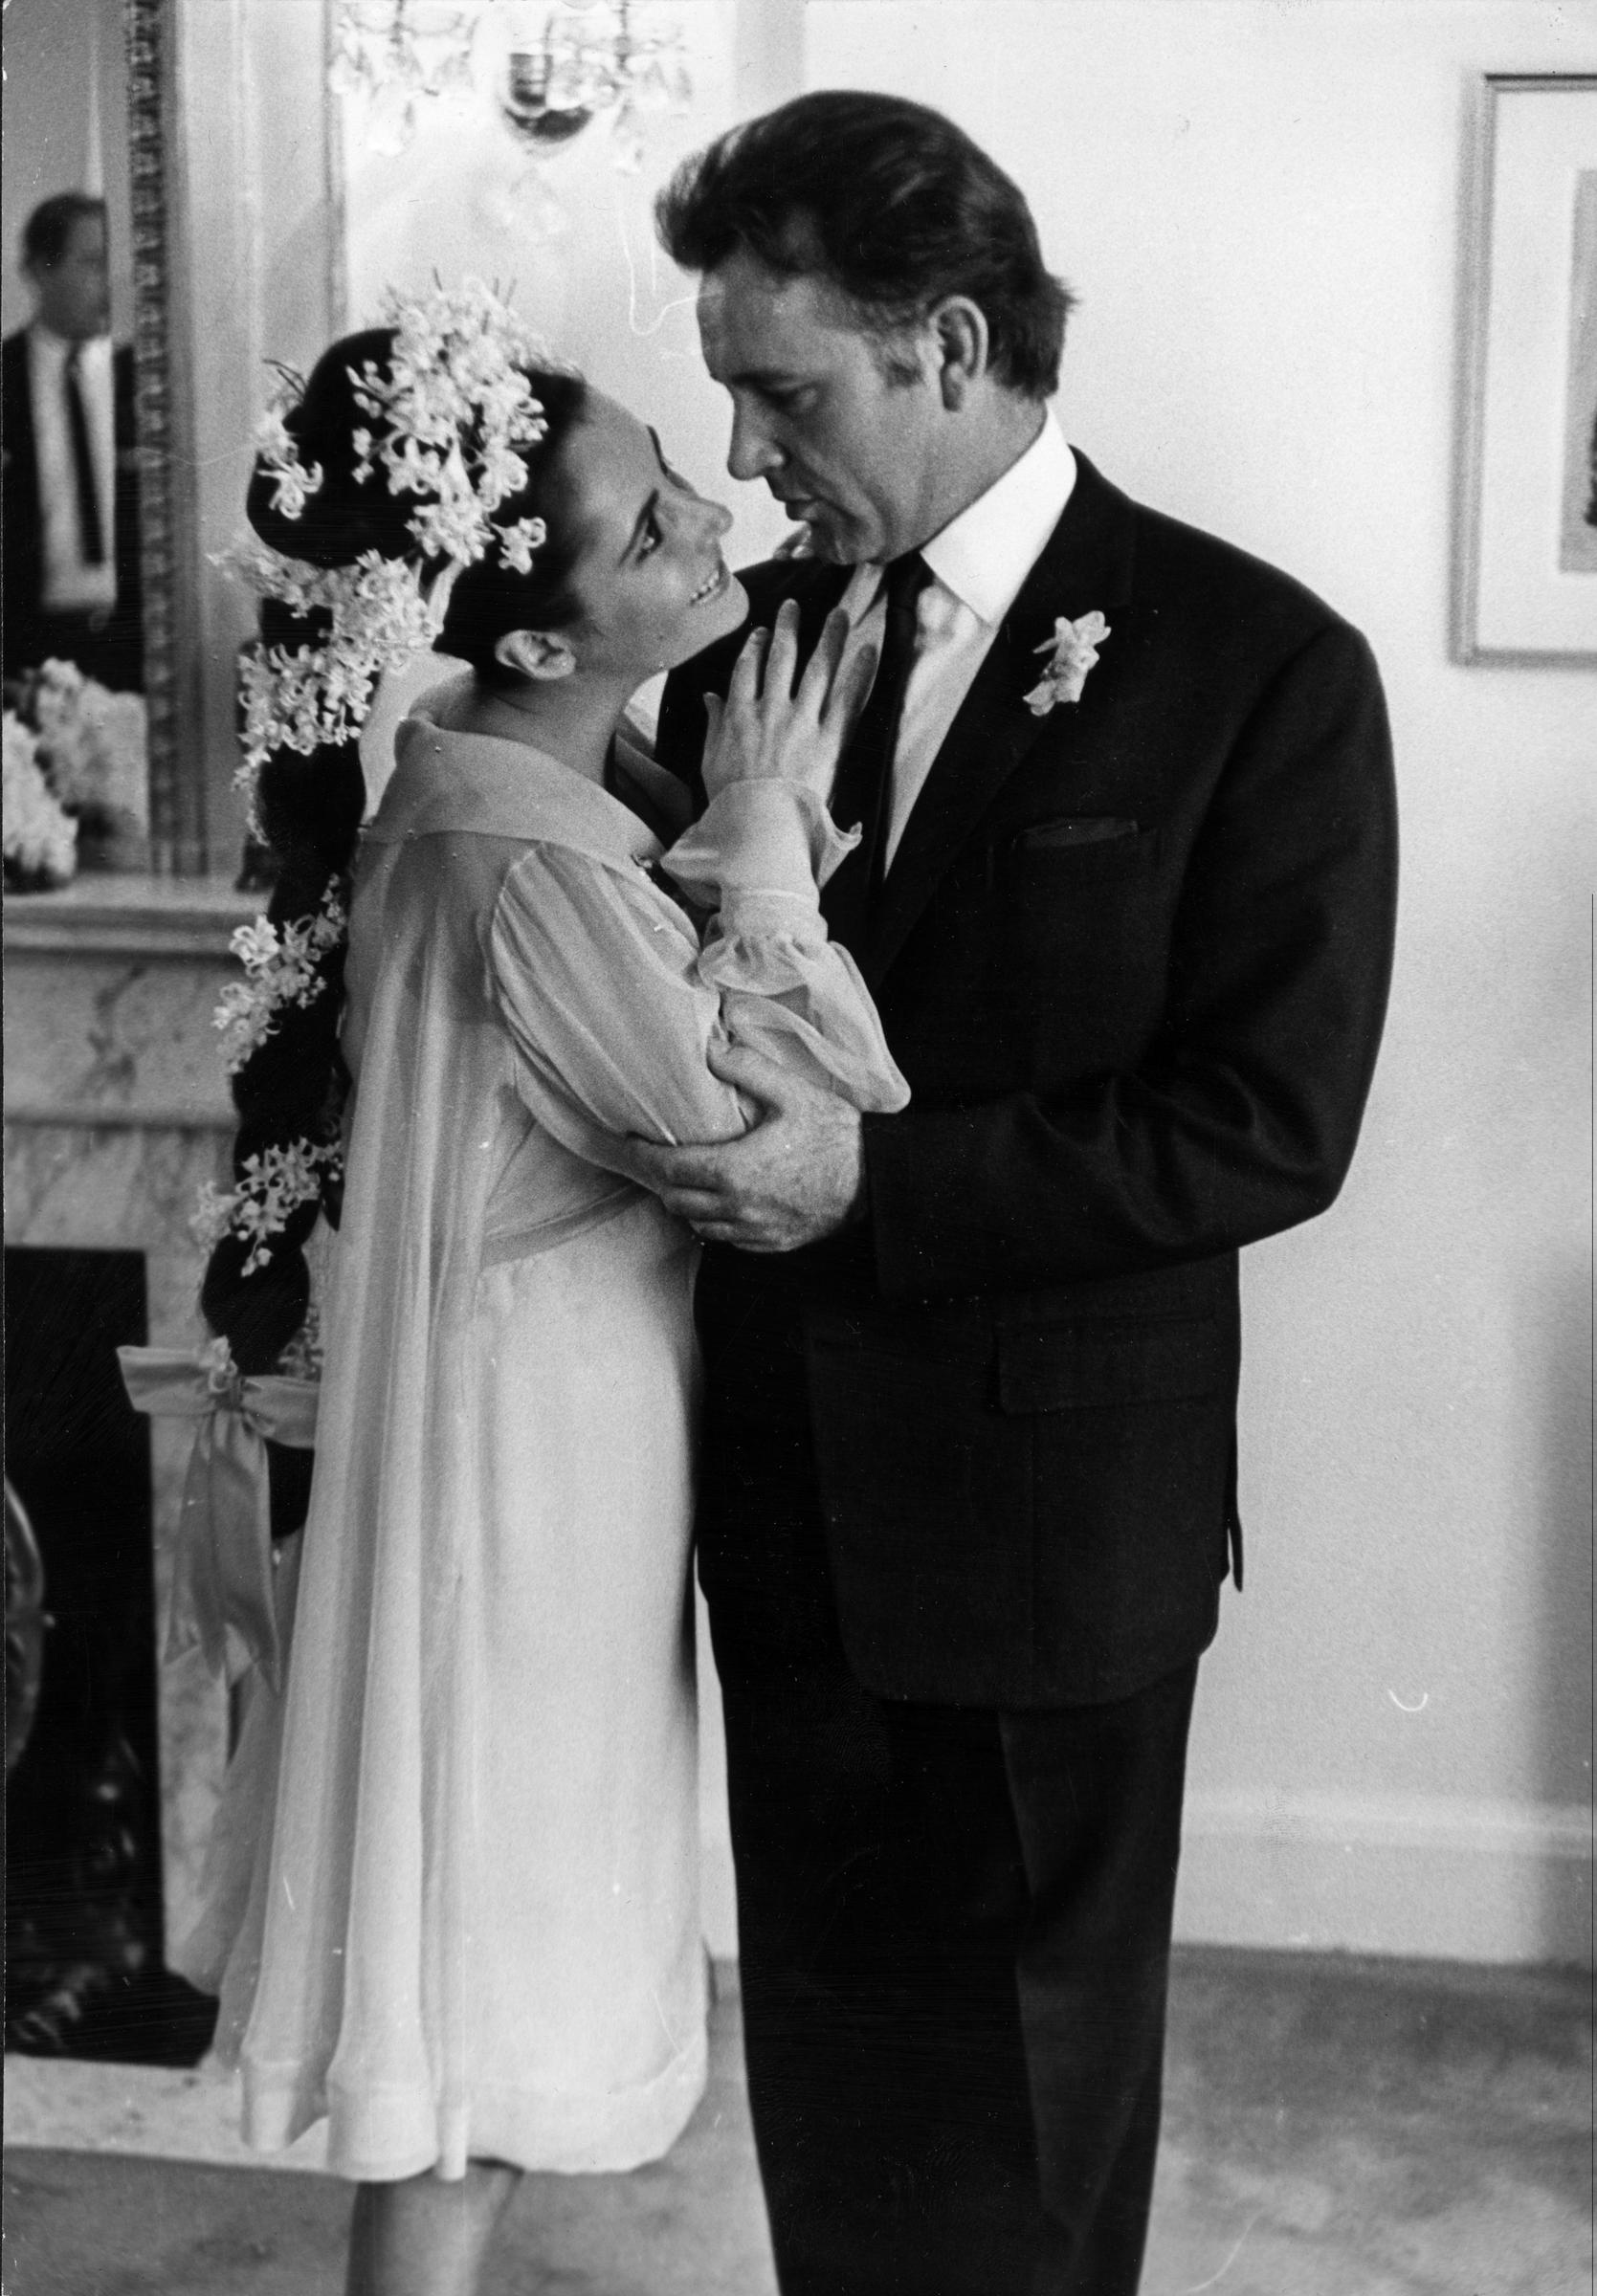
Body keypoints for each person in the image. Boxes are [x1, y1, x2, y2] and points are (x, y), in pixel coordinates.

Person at [626, 92, 1400, 2296]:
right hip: (784, 1508)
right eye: (727, 398)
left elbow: (1267, 1118)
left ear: (949, 346)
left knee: (1035, 2134)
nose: (748, 456)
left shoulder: (1256, 664)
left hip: (1055, 1531)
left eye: (786, 395)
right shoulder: (735, 652)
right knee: (834, 2106)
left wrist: (868, 1181)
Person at [186, 285, 906, 2296]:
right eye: (653, 525)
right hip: (523, 1499)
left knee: (486, 2020)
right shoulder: (520, 865)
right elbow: (790, 1123)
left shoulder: (501, 793)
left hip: (546, 1448)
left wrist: (720, 815)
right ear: (531, 643)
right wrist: (770, 838)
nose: (713, 516)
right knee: (480, 2038)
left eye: (678, 474)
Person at [2, 192, 144, 693]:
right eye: (91, 263)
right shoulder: (4, 377)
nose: (109, 283)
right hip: (28, 650)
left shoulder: (143, 377)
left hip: (136, 642)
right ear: (40, 271)